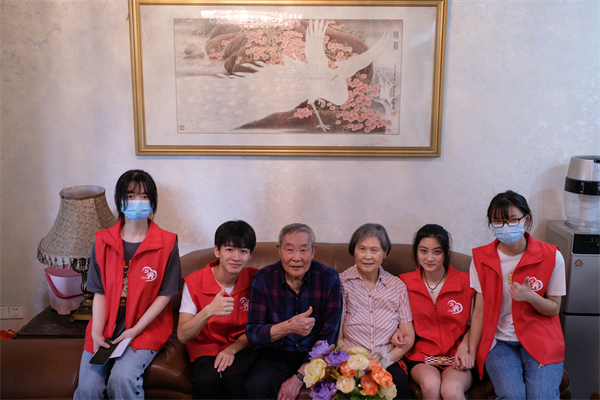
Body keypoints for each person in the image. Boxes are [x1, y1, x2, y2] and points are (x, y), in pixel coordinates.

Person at [74, 169, 182, 400]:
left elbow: (165, 295)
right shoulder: (102, 241)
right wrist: (96, 331)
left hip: (145, 329)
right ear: (119, 199)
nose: (137, 202)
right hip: (106, 326)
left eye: (144, 196)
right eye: (130, 196)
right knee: (88, 389)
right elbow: (100, 292)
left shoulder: (167, 242)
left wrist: (134, 330)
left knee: (122, 379)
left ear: (152, 201)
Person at [469, 190, 566, 400]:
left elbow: (554, 309)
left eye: (513, 220)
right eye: (498, 221)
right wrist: (470, 352)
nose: (505, 227)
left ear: (526, 219)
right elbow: (479, 313)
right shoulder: (481, 259)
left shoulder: (552, 256)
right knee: (513, 396)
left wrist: (531, 297)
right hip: (499, 341)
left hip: (540, 338)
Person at [245, 223, 343, 400]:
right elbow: (253, 334)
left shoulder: (329, 279)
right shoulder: (263, 278)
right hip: (276, 355)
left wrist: (299, 377)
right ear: (279, 251)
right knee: (256, 385)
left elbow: (328, 338)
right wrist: (288, 327)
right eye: (289, 250)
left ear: (313, 251)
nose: (296, 258)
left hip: (314, 356)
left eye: (303, 250)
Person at [177, 220, 259, 399]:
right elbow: (183, 335)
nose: (236, 257)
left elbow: (260, 327)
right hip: (205, 348)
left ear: (250, 255)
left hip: (242, 346)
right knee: (206, 380)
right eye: (229, 249)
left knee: (234, 377)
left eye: (243, 251)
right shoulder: (194, 282)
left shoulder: (257, 279)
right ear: (217, 250)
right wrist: (208, 311)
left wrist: (233, 349)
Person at [398, 224, 475, 400]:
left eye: (437, 252)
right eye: (423, 251)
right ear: (416, 252)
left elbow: (477, 323)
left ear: (446, 252)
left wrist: (464, 348)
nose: (430, 258)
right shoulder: (403, 283)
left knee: (451, 390)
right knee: (430, 385)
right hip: (421, 356)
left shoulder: (467, 282)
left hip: (457, 355)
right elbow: (395, 320)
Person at [338, 223, 415, 399]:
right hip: (351, 357)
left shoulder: (397, 286)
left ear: (385, 253)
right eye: (362, 249)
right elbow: (337, 336)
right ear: (353, 251)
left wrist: (384, 360)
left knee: (400, 389)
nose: (367, 256)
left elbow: (408, 336)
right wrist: (357, 360)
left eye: (374, 250)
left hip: (388, 358)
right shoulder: (341, 283)